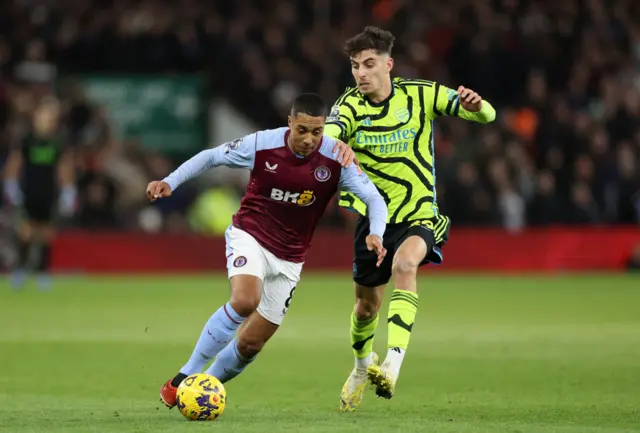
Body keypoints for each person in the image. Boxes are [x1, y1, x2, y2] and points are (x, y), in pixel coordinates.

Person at [148, 93, 388, 408]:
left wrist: (376, 233)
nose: (308, 139)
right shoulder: (261, 145)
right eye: (302, 130)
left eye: (317, 132)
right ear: (289, 122)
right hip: (251, 235)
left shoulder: (336, 158)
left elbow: (374, 199)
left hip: (290, 258)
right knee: (246, 300)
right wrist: (170, 181)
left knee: (250, 343)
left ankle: (202, 389)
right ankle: (183, 379)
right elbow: (211, 156)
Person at [323, 27, 497, 410]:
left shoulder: (421, 93)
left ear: (389, 64)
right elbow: (331, 135)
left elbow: (488, 114)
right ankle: (360, 367)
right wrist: (335, 146)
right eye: (355, 66)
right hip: (373, 222)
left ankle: (392, 364)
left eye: (369, 65)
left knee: (405, 264)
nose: (361, 74)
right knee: (366, 307)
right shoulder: (348, 106)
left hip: (420, 210)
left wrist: (475, 104)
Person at [3, 97, 76, 291]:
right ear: (36, 117)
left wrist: (68, 190)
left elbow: (64, 167)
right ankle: (19, 270)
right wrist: (10, 184)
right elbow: (15, 163)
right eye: (44, 116)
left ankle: (42, 272)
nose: (47, 120)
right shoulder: (26, 139)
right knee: (26, 233)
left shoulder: (58, 141)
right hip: (29, 192)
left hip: (48, 192)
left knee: (46, 235)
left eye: (51, 117)